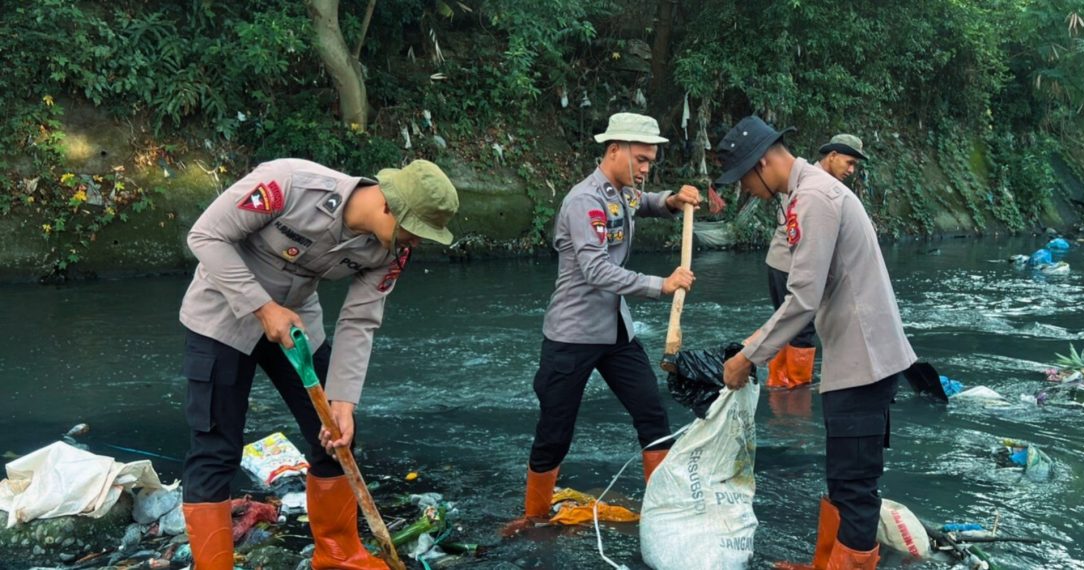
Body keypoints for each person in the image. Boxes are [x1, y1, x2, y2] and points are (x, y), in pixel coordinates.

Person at [178, 159, 458, 570]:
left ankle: (336, 553)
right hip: (221, 317)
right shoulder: (289, 185)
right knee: (216, 448)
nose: (416, 243)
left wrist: (344, 401)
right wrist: (262, 307)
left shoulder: (391, 250)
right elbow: (205, 235)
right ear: (388, 208)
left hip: (294, 324)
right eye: (416, 231)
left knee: (337, 436)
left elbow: (360, 320)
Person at [716, 117, 916, 570]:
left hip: (865, 361)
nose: (747, 190)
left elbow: (803, 297)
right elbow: (813, 290)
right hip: (857, 356)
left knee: (855, 484)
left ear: (763, 162)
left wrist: (748, 358)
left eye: (746, 179)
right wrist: (753, 343)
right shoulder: (805, 194)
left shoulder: (814, 198)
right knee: (843, 475)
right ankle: (825, 564)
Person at [505, 113, 702, 534]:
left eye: (651, 161)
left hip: (616, 333)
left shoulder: (622, 191)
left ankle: (663, 513)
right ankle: (534, 516)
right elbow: (596, 271)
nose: (647, 169)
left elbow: (642, 204)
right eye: (643, 160)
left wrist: (670, 200)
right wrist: (661, 285)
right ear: (615, 150)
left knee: (652, 414)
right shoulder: (584, 200)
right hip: (572, 334)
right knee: (555, 431)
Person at [765, 133, 868, 390]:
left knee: (790, 325)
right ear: (832, 157)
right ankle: (796, 386)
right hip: (788, 264)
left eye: (855, 165)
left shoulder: (818, 182)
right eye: (849, 163)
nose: (852, 170)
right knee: (800, 327)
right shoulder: (812, 184)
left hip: (784, 262)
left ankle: (780, 383)